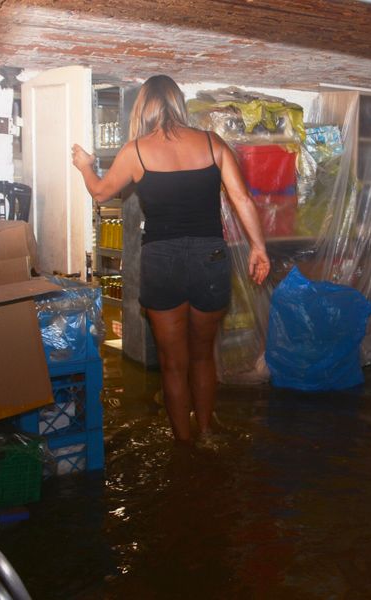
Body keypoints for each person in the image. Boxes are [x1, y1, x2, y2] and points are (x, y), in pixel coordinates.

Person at [71, 74, 270, 446]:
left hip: (161, 259)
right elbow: (243, 200)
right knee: (203, 357)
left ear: (144, 106)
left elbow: (99, 193)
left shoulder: (137, 151)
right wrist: (259, 248)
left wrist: (85, 163)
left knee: (173, 364)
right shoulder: (212, 144)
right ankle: (207, 432)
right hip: (210, 258)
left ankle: (183, 447)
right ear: (178, 103)